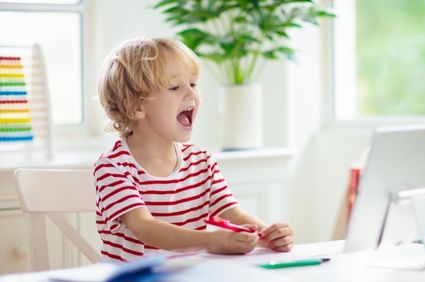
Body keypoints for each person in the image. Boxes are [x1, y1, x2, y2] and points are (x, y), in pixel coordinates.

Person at [94, 37, 294, 262]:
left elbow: (234, 214)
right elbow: (145, 228)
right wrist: (210, 241)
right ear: (136, 106)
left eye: (193, 84)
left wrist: (267, 235)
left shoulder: (201, 162)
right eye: (174, 87)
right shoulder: (113, 167)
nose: (192, 95)